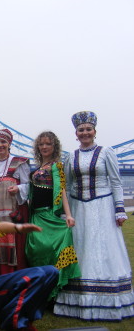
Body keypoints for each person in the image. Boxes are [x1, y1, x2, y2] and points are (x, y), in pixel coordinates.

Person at [54, 111, 134, 321]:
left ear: (95, 131)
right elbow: (67, 185)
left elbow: (115, 182)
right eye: (81, 130)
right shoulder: (70, 157)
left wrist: (119, 209)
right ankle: (79, 298)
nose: (85, 133)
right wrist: (66, 213)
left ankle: (106, 297)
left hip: (102, 206)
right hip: (79, 209)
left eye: (88, 129)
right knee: (81, 247)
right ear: (76, 133)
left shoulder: (107, 152)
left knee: (103, 248)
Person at [24, 131, 81, 300]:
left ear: (54, 146)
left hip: (48, 215)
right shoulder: (38, 167)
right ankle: (40, 290)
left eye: (48, 144)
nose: (44, 147)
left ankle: (53, 291)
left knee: (50, 250)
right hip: (35, 215)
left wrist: (68, 215)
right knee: (34, 252)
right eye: (41, 144)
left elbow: (62, 190)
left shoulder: (57, 166)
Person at [0, 128, 30, 275]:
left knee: (14, 250)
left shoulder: (20, 163)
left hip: (12, 214)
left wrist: (19, 188)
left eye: (3, 142)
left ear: (9, 144)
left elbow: (28, 185)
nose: (0, 145)